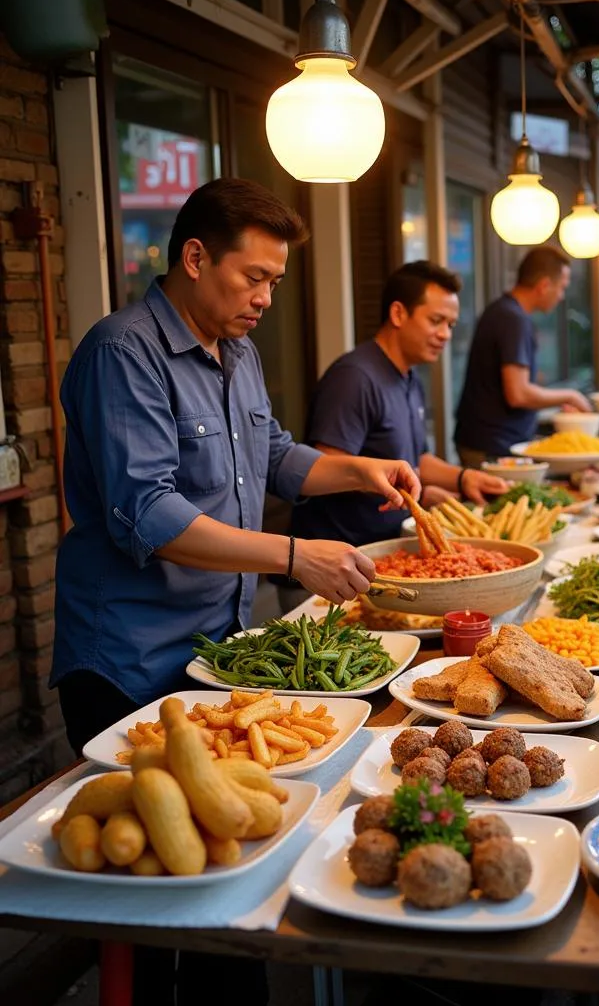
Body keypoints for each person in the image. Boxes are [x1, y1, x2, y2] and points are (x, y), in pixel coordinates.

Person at [53, 178, 420, 754]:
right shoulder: (121, 353)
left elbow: (271, 454)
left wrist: (359, 469)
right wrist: (296, 555)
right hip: (133, 658)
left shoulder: (238, 351)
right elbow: (150, 514)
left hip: (220, 648)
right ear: (196, 258)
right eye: (253, 278)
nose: (266, 299)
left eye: (274, 282)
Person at [286, 261, 508, 600]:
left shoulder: (408, 377)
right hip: (333, 573)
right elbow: (327, 464)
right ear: (399, 313)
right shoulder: (355, 377)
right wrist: (404, 493)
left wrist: (465, 479)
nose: (446, 334)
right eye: (436, 321)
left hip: (381, 559)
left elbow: (414, 458)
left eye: (450, 324)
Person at [454, 246, 590, 466]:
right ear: (544, 285)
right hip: (492, 446)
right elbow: (518, 394)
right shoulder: (513, 319)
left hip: (488, 440)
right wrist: (570, 396)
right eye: (562, 287)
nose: (562, 296)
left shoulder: (503, 311)